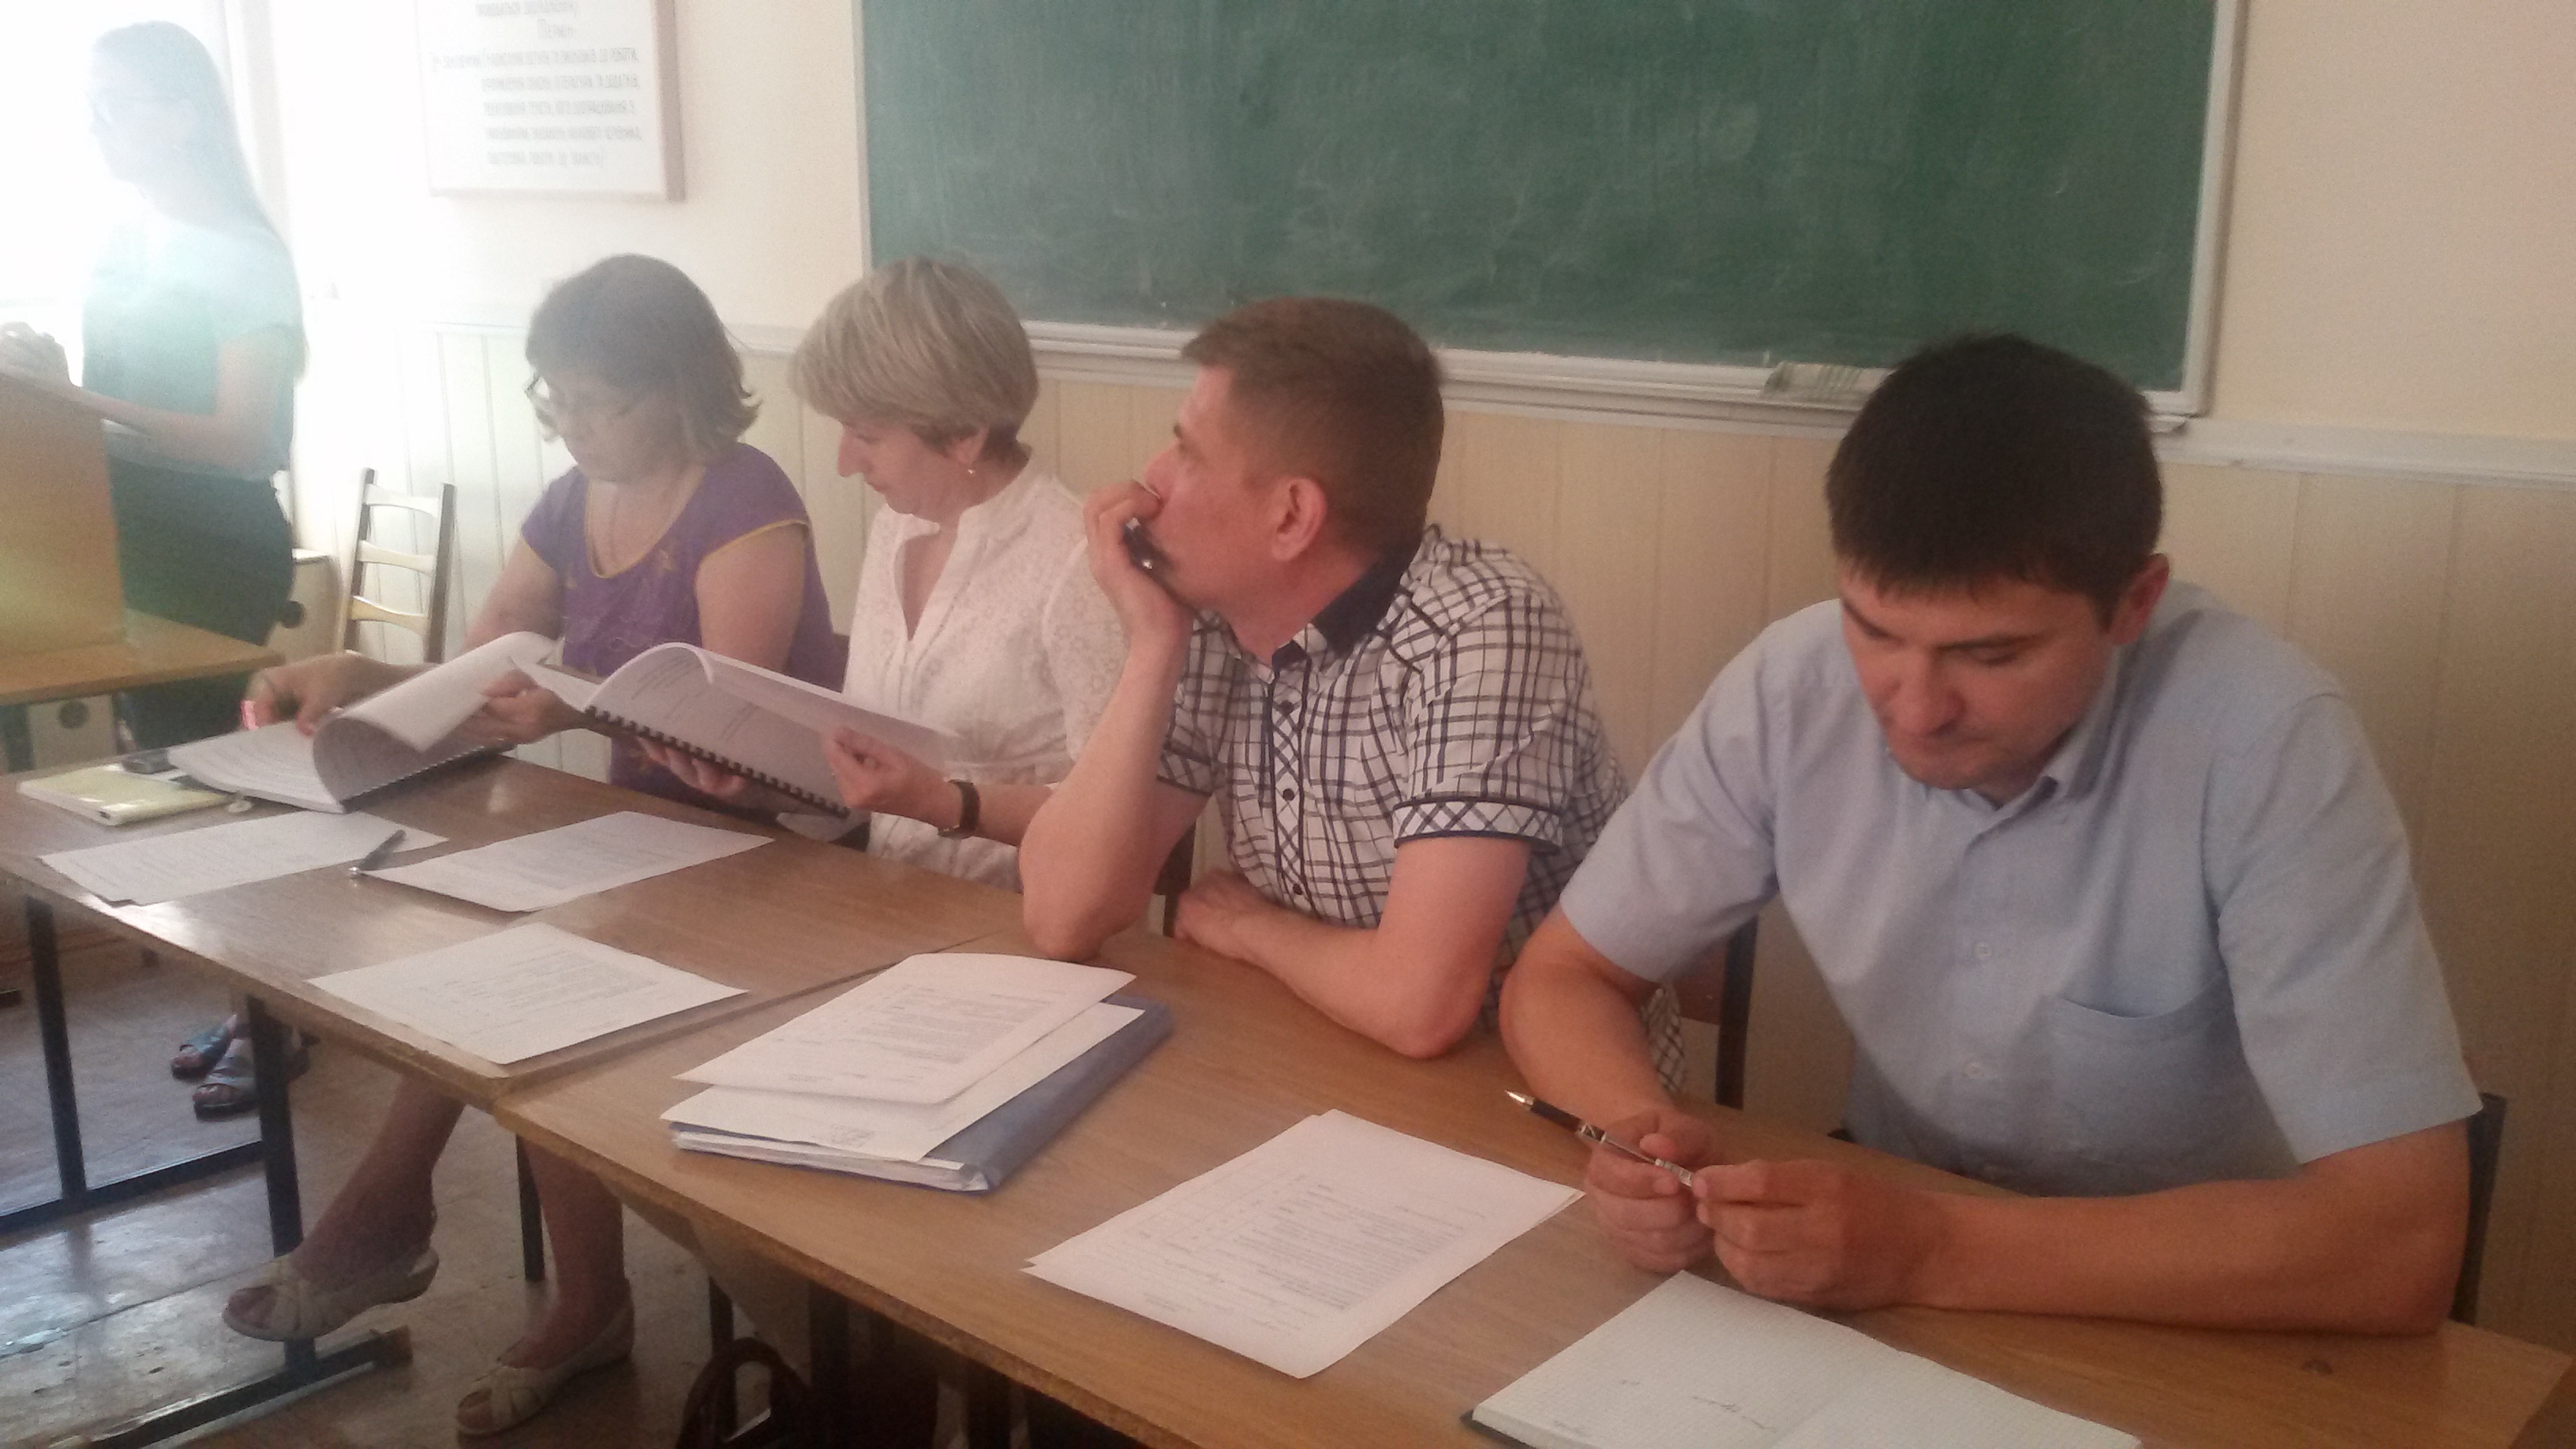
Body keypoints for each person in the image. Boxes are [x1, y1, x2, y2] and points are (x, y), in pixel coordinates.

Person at [1499, 333, 2480, 1334]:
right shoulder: (1792, 687)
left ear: (2134, 603)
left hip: (2192, 1296)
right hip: (1893, 1251)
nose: (1915, 709)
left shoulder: (2265, 739)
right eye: (1876, 631)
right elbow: (1565, 978)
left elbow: (2400, 1242)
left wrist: (1931, 1248)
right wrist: (1633, 1139)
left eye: (1993, 655)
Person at [217, 253, 840, 1436]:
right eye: (556, 399)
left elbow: (729, 727)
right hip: (648, 842)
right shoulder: (571, 502)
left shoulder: (744, 500)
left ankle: (420, 1227)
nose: (575, 427)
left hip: (772, 849)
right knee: (499, 951)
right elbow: (484, 661)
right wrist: (362, 678)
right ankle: (545, 1283)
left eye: (600, 402)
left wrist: (573, 710)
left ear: (680, 388)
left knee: (537, 975)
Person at [1017, 297, 1667, 1078]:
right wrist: (1153, 649)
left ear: (1292, 516)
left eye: (1187, 452)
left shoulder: (1482, 628)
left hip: (1517, 1093)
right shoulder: (1211, 620)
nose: (1151, 479)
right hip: (1313, 1056)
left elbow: (1420, 1005)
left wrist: (1250, 929)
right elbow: (1061, 915)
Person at [0, 21, 298, 749]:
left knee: (186, 752)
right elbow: (120, 400)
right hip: (120, 523)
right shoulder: (123, 237)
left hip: (210, 541)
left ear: (182, 118)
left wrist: (71, 399)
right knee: (125, 754)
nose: (93, 126)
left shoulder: (244, 256)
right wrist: (46, 378)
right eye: (89, 105)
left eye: (113, 105)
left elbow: (240, 439)